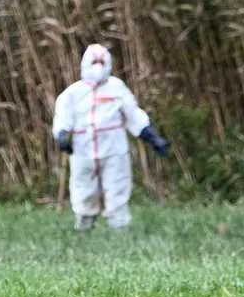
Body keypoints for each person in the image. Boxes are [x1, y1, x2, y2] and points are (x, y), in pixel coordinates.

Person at [51, 43, 170, 231]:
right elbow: (63, 118)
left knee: (117, 188)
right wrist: (62, 136)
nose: (98, 67)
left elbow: (133, 115)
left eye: (102, 62)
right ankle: (83, 227)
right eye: (94, 62)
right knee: (83, 191)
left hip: (114, 150)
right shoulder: (72, 93)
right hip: (83, 150)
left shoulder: (116, 88)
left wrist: (152, 137)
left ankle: (120, 230)